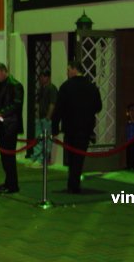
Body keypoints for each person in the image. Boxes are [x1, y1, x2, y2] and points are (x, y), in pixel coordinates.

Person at [52, 60, 102, 194]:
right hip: (86, 127)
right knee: (79, 157)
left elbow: (58, 109)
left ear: (74, 69)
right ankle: (75, 183)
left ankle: (72, 184)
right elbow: (98, 106)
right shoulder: (91, 87)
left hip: (70, 127)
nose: (67, 73)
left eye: (68, 70)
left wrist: (54, 127)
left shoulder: (66, 87)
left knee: (71, 156)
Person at [0, 63, 24, 194]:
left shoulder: (15, 85)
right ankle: (8, 182)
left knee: (9, 157)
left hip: (10, 126)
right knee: (4, 157)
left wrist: (1, 113)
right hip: (1, 125)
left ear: (4, 71)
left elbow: (16, 105)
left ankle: (13, 185)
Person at [28, 70, 57, 168]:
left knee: (46, 140)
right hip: (40, 118)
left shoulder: (52, 88)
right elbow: (38, 103)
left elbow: (52, 103)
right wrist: (37, 114)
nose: (41, 79)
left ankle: (42, 159)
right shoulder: (42, 89)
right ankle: (35, 156)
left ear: (47, 77)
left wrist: (48, 116)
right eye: (40, 76)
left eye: (43, 76)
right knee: (38, 139)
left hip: (46, 118)